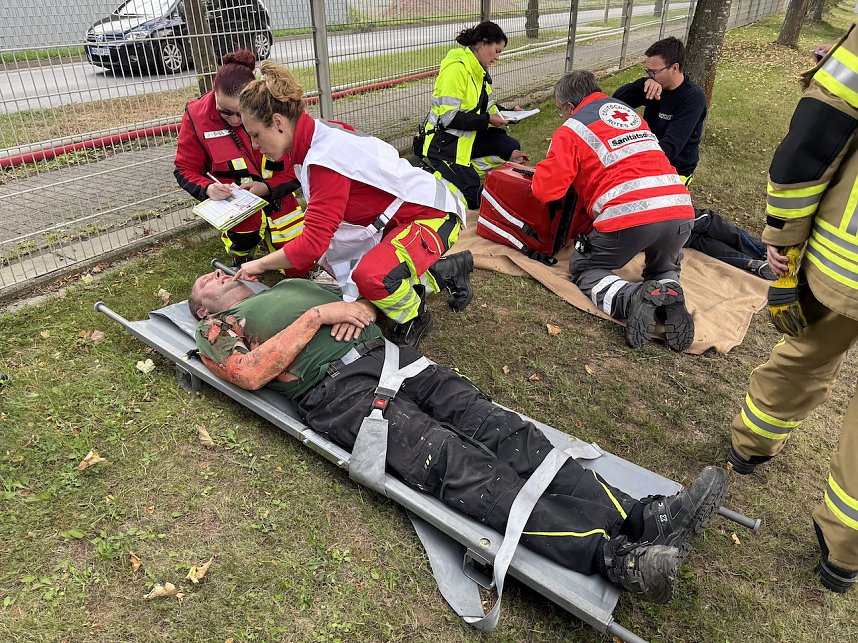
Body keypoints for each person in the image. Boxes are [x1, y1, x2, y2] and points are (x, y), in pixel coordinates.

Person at [188, 268, 728, 603]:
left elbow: (366, 304)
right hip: (340, 395)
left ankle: (646, 516)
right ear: (204, 306)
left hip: (395, 359)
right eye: (206, 283)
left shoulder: (288, 283)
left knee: (509, 433)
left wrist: (355, 307)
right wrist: (319, 317)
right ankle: (614, 559)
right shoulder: (220, 324)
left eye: (218, 274)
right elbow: (248, 372)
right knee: (458, 464)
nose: (217, 276)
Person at [726, 24, 858, 593]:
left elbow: (817, 135)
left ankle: (749, 448)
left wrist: (783, 233)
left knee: (805, 352)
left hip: (848, 260)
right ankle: (844, 554)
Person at [228, 61, 474, 349]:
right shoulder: (314, 135)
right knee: (341, 264)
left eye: (255, 135)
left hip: (431, 216)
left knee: (371, 277)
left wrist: (258, 263)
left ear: (278, 123)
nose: (255, 145)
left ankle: (415, 316)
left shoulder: (324, 160)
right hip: (398, 214)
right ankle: (446, 270)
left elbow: (311, 246)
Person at [532, 71, 696, 351]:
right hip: (680, 210)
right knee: (664, 265)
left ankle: (631, 298)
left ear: (570, 107)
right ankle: (669, 290)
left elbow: (547, 190)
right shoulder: (628, 114)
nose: (562, 116)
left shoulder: (571, 129)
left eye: (560, 111)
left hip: (630, 218)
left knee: (584, 266)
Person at [613, 38, 775, 280]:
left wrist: (638, 167)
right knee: (683, 233)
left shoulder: (692, 97)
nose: (650, 75)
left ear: (675, 68)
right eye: (647, 70)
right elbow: (614, 101)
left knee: (689, 222)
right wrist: (643, 83)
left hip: (675, 171)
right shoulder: (652, 86)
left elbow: (671, 147)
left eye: (653, 71)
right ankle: (753, 263)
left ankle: (761, 251)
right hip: (650, 170)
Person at [174, 50, 305, 267]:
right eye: (226, 112)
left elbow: (300, 163)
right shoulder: (197, 118)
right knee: (244, 237)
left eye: (241, 113)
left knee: (299, 260)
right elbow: (185, 169)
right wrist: (208, 188)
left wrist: (268, 188)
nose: (236, 120)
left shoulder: (273, 107)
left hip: (280, 197)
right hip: (237, 206)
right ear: (214, 92)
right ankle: (241, 255)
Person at [421, 21, 530, 209]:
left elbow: (488, 107)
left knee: (510, 147)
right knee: (473, 199)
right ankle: (429, 172)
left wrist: (511, 113)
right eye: (496, 51)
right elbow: (449, 118)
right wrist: (488, 120)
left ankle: (466, 170)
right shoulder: (456, 69)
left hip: (467, 139)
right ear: (484, 42)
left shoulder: (479, 71)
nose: (497, 57)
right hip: (444, 144)